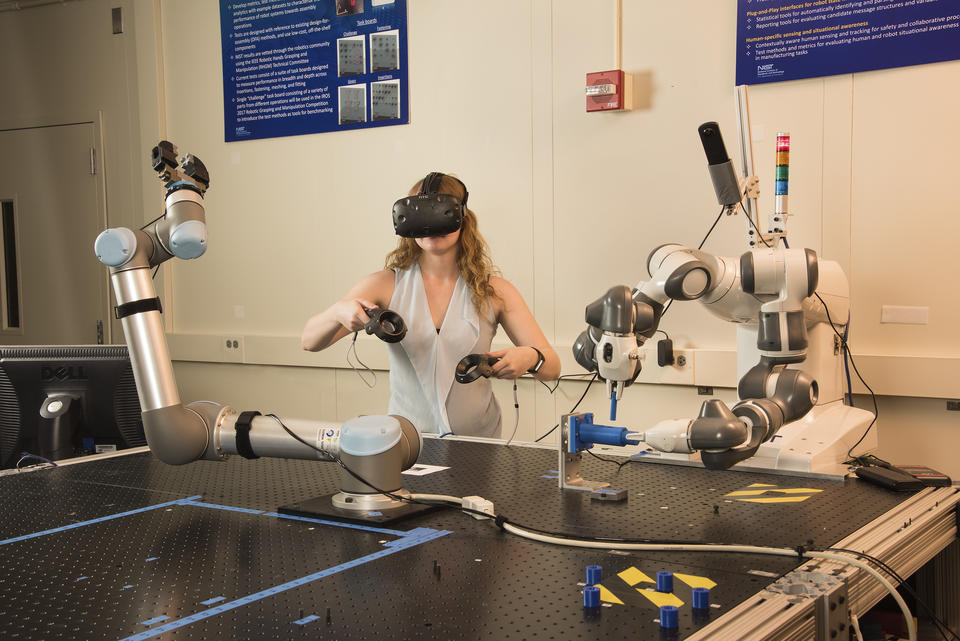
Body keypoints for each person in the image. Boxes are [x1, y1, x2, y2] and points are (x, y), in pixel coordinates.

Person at [301, 172, 560, 438]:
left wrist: (531, 357)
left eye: (440, 212)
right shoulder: (384, 285)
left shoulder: (494, 291)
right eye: (420, 217)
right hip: (407, 444)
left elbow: (552, 366)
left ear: (462, 217)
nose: (430, 228)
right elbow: (309, 341)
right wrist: (338, 312)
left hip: (479, 445)